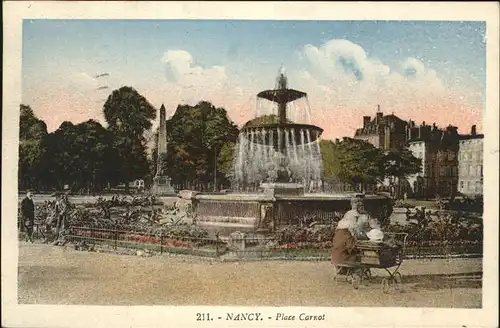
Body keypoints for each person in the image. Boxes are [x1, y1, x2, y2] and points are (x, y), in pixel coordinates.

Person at [331, 195, 379, 269]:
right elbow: (354, 232)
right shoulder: (356, 215)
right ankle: (356, 271)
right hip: (346, 254)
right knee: (359, 254)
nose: (359, 205)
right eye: (358, 203)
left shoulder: (348, 216)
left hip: (337, 255)